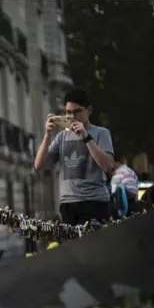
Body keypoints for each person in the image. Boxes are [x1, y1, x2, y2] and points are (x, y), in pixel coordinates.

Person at [34, 87, 114, 226]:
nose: (72, 117)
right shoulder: (62, 137)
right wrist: (47, 135)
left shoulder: (101, 133)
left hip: (95, 201)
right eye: (68, 112)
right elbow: (39, 165)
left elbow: (108, 166)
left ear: (89, 110)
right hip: (68, 203)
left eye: (77, 111)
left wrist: (86, 137)